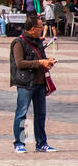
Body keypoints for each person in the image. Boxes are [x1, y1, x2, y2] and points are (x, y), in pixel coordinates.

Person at [10, 12, 57, 153]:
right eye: (40, 26)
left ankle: (42, 143)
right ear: (31, 28)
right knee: (21, 114)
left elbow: (41, 58)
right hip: (26, 84)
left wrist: (48, 61)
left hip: (40, 83)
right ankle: (19, 143)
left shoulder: (38, 42)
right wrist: (39, 62)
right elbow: (20, 63)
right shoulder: (19, 43)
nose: (42, 28)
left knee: (41, 114)